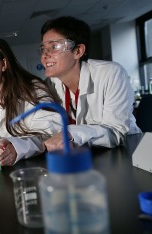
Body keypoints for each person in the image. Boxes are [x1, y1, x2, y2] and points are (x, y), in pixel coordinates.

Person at [40, 16, 141, 152]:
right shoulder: (50, 84)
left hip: (127, 149)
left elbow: (116, 131)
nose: (45, 55)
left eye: (54, 46)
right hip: (86, 152)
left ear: (78, 51)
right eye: (43, 48)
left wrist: (71, 133)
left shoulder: (111, 73)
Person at [0, 36, 62, 168]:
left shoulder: (32, 91)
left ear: (4, 64)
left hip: (45, 169)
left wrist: (17, 148)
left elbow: (52, 134)